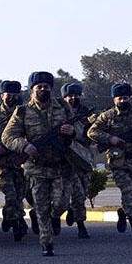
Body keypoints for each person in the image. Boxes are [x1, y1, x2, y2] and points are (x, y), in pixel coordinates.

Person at [1, 71, 75, 256]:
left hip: (60, 166)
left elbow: (80, 131)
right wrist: (24, 146)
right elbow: (7, 136)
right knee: (41, 206)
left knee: (61, 204)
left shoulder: (63, 107)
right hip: (36, 167)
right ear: (32, 90)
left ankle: (53, 217)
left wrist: (72, 131)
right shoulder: (22, 111)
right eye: (39, 87)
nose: (43, 90)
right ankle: (46, 242)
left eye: (47, 87)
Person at [87, 81, 132, 241]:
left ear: (131, 98)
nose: (123, 101)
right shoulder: (107, 116)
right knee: (128, 191)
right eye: (119, 98)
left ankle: (124, 212)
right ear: (114, 100)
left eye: (126, 98)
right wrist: (111, 138)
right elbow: (92, 132)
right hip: (119, 162)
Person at [0, 80, 27, 241]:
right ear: (1, 96)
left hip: (20, 161)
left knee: (19, 195)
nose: (11, 98)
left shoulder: (23, 113)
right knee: (11, 194)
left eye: (14, 95)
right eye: (8, 95)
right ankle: (17, 223)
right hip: (3, 163)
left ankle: (10, 216)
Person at [60, 81, 95, 239]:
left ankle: (77, 217)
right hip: (66, 160)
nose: (73, 98)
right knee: (72, 194)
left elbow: (90, 136)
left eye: (76, 95)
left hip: (83, 158)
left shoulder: (86, 113)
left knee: (82, 192)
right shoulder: (58, 113)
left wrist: (82, 128)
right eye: (69, 96)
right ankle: (79, 223)